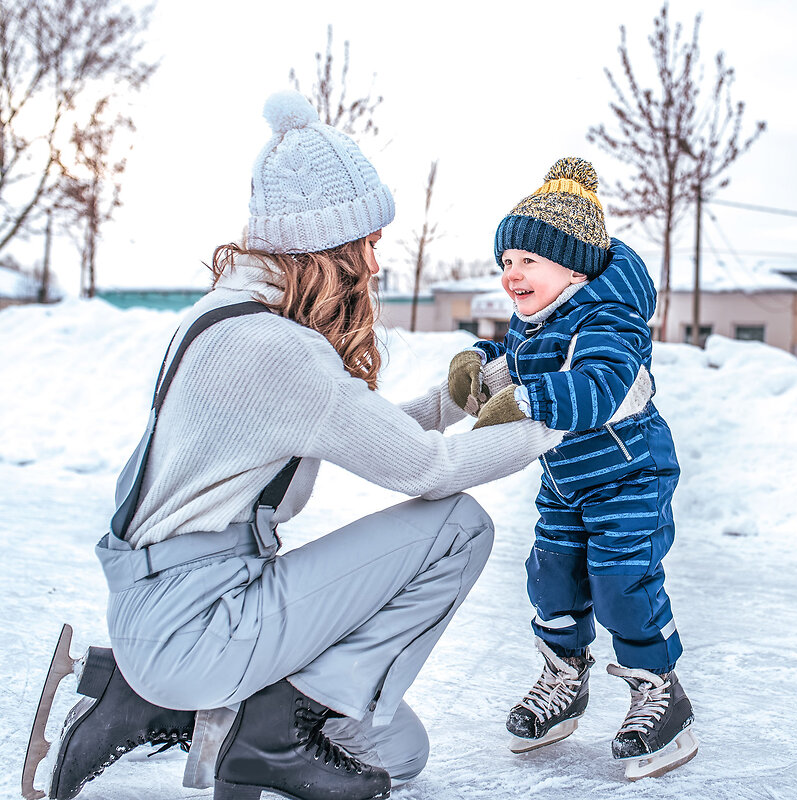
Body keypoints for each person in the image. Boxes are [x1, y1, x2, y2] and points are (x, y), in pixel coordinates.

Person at [27, 91, 562, 800]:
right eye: (367, 244)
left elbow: (364, 428)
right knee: (458, 526)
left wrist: (463, 396)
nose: (375, 265)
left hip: (178, 605)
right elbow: (425, 471)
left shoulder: (228, 316)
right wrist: (557, 416)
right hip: (199, 618)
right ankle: (263, 725)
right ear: (328, 249)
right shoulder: (277, 350)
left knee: (399, 751)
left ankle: (155, 700)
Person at [446, 157, 697, 780]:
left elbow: (599, 386)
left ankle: (660, 692)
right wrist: (483, 365)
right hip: (565, 479)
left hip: (629, 474)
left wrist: (527, 400)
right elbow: (520, 358)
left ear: (574, 265)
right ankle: (565, 677)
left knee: (620, 580)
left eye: (528, 260)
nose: (512, 275)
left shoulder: (609, 317)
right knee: (551, 576)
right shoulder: (542, 318)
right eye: (507, 262)